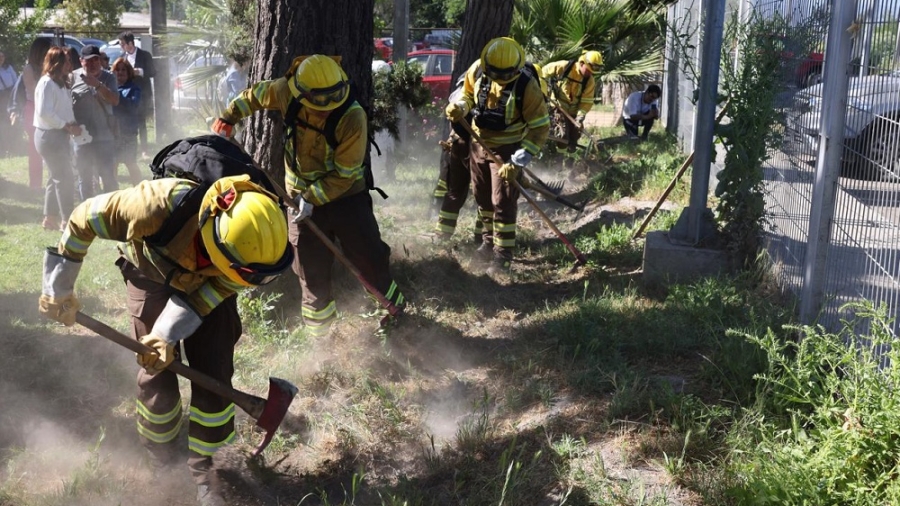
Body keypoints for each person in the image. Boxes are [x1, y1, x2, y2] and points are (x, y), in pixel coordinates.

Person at [38, 174, 293, 506]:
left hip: (209, 282)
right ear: (217, 245)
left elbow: (214, 290)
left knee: (214, 373)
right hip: (149, 272)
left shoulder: (251, 256)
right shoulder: (151, 208)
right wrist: (58, 288)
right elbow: (81, 218)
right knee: (156, 376)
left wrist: (166, 333)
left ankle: (211, 476)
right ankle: (163, 464)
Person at [212, 54, 406, 335]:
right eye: (319, 103)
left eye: (333, 100)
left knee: (369, 255)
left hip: (346, 197)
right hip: (298, 197)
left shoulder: (352, 116)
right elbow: (253, 96)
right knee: (309, 269)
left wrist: (311, 198)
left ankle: (394, 311)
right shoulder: (284, 91)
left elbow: (345, 174)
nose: (327, 109)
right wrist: (228, 117)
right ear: (301, 94)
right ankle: (321, 337)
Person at [445, 37, 550, 275]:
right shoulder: (478, 70)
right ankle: (488, 242)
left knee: (502, 201)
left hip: (508, 149)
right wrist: (460, 106)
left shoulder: (527, 86)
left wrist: (517, 161)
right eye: (497, 75)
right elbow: (467, 94)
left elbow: (540, 127)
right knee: (482, 198)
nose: (501, 80)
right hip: (478, 144)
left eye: (506, 76)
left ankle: (503, 255)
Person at [34, 46, 82, 231]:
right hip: (49, 136)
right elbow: (45, 113)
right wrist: (67, 126)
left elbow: (63, 109)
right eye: (67, 61)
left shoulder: (61, 83)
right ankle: (67, 221)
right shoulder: (47, 83)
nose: (70, 64)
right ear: (57, 63)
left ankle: (50, 219)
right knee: (64, 178)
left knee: (55, 177)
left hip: (58, 134)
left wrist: (72, 125)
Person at [432, 74, 484, 244]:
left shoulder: (464, 91)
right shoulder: (465, 95)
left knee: (464, 192)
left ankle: (446, 235)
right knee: (483, 192)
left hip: (467, 144)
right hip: (469, 146)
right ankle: (479, 237)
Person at [70, 44, 120, 199]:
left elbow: (115, 100)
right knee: (84, 178)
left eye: (96, 60)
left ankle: (111, 212)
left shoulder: (109, 77)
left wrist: (98, 85)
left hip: (104, 137)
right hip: (81, 137)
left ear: (100, 60)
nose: (92, 64)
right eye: (88, 61)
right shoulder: (72, 77)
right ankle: (87, 215)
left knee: (108, 177)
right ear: (81, 61)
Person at [542, 50, 602, 157]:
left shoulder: (589, 80)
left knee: (574, 136)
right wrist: (542, 87)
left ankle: (571, 160)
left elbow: (586, 101)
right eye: (588, 70)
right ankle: (559, 159)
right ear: (582, 63)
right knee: (562, 135)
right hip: (558, 106)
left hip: (574, 111)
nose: (590, 73)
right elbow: (543, 72)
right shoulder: (564, 66)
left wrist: (580, 117)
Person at [19, 38, 53, 190]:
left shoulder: (48, 67)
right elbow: (34, 92)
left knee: (49, 147)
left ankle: (52, 182)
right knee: (35, 150)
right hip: (33, 109)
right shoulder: (29, 69)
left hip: (46, 108)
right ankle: (35, 185)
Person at [118, 31, 156, 155]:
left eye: (122, 44)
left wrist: (139, 71)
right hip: (128, 93)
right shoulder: (123, 57)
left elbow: (152, 72)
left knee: (141, 121)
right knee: (127, 121)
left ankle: (144, 149)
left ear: (130, 43)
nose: (121, 47)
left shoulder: (145, 55)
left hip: (142, 93)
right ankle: (127, 148)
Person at [112, 57, 143, 185]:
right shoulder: (109, 88)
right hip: (112, 132)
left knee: (130, 163)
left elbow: (133, 106)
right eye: (117, 70)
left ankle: (140, 189)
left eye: (123, 69)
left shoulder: (134, 89)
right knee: (113, 164)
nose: (120, 72)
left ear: (129, 72)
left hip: (128, 132)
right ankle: (112, 192)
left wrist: (116, 97)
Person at [0, 51, 18, 157]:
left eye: (2, 56)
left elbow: (16, 82)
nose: (1, 58)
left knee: (10, 123)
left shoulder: (8, 68)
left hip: (9, 98)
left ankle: (11, 148)